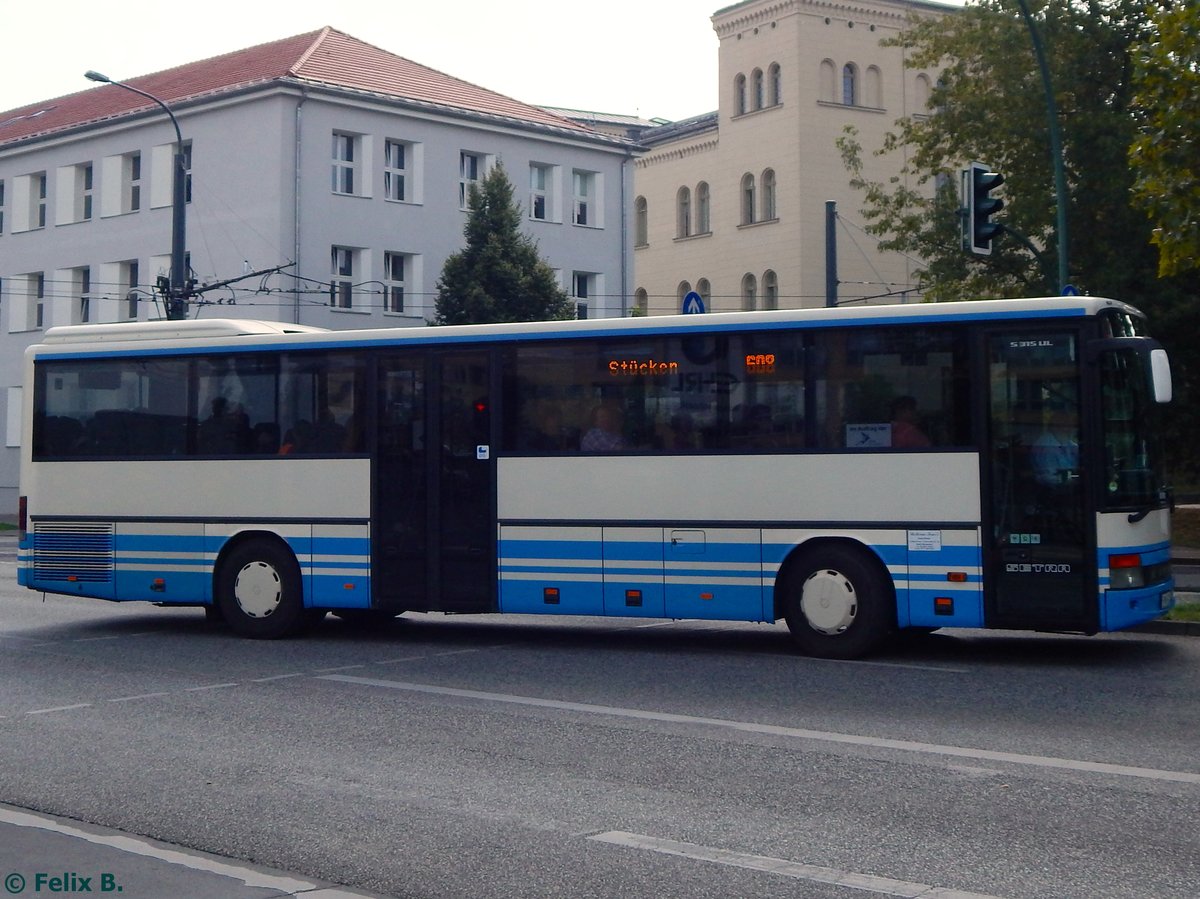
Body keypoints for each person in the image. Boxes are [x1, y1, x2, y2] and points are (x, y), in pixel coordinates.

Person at [1031, 406, 1079, 486]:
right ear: (1056, 427)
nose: (1071, 429)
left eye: (1072, 425)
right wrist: (1077, 478)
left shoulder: (1065, 441)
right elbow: (1050, 477)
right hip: (1053, 492)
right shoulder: (1046, 446)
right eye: (1067, 425)